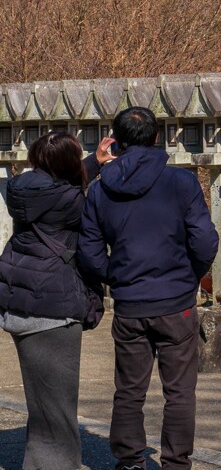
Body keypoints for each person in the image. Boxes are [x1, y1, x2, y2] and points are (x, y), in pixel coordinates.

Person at [79, 107, 219, 470]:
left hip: (129, 302)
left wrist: (116, 275)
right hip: (176, 301)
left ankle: (128, 462)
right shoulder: (181, 182)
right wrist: (190, 275)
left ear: (116, 143)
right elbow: (204, 239)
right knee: (179, 392)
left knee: (129, 390)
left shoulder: (99, 190)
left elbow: (90, 251)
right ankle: (175, 463)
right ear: (157, 138)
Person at [0, 130, 116, 470]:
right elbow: (76, 193)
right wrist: (95, 165)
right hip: (53, 309)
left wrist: (94, 161)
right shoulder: (71, 202)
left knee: (43, 402)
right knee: (59, 406)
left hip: (19, 303)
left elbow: (60, 182)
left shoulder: (20, 188)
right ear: (67, 165)